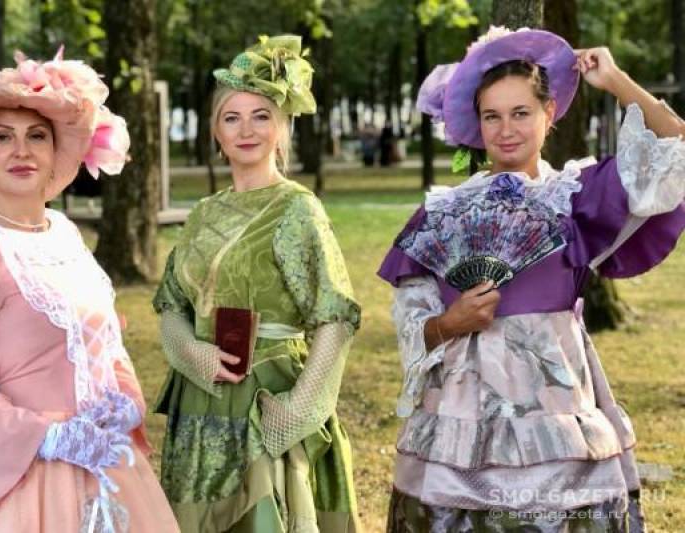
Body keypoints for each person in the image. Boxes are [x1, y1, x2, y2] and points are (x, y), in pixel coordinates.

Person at [378, 27, 685, 531]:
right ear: (477, 123)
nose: (506, 130)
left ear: (549, 113)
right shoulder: (441, 213)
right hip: (460, 421)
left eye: (521, 113)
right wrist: (451, 323)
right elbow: (413, 324)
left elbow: (675, 144)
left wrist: (616, 81)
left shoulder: (576, 198)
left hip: (555, 411)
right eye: (492, 116)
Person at [0, 48, 179, 532]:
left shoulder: (64, 232)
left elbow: (101, 337)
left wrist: (125, 399)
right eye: (2, 137)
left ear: (54, 152)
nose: (21, 151)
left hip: (107, 465)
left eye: (36, 136)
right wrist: (51, 438)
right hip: (27, 485)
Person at [152, 35, 361, 532]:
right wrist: (190, 351)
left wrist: (297, 409)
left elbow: (335, 317)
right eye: (232, 118)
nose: (246, 130)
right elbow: (172, 303)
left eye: (261, 116)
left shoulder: (297, 209)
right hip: (200, 402)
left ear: (282, 126)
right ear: (216, 132)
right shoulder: (203, 212)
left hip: (266, 400)